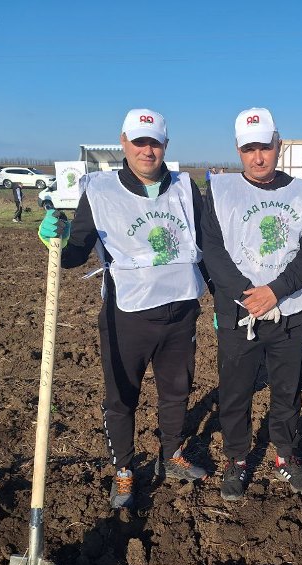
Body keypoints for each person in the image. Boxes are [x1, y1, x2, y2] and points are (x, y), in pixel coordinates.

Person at [36, 108, 211, 510]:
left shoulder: (185, 187)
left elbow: (203, 248)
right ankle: (125, 469)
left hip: (181, 309)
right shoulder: (99, 190)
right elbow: (77, 251)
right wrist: (57, 239)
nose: (146, 150)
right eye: (139, 141)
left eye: (154, 142)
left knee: (177, 390)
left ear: (165, 145)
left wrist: (219, 299)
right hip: (127, 313)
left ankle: (171, 457)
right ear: (124, 142)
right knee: (121, 396)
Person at [201, 107, 302, 501]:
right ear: (239, 150)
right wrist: (247, 295)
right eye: (249, 149)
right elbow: (213, 252)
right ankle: (236, 460)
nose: (258, 157)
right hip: (239, 314)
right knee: (235, 391)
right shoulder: (219, 190)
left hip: (288, 312)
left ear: (278, 145)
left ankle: (285, 455)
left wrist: (277, 291)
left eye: (265, 147)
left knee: (287, 391)